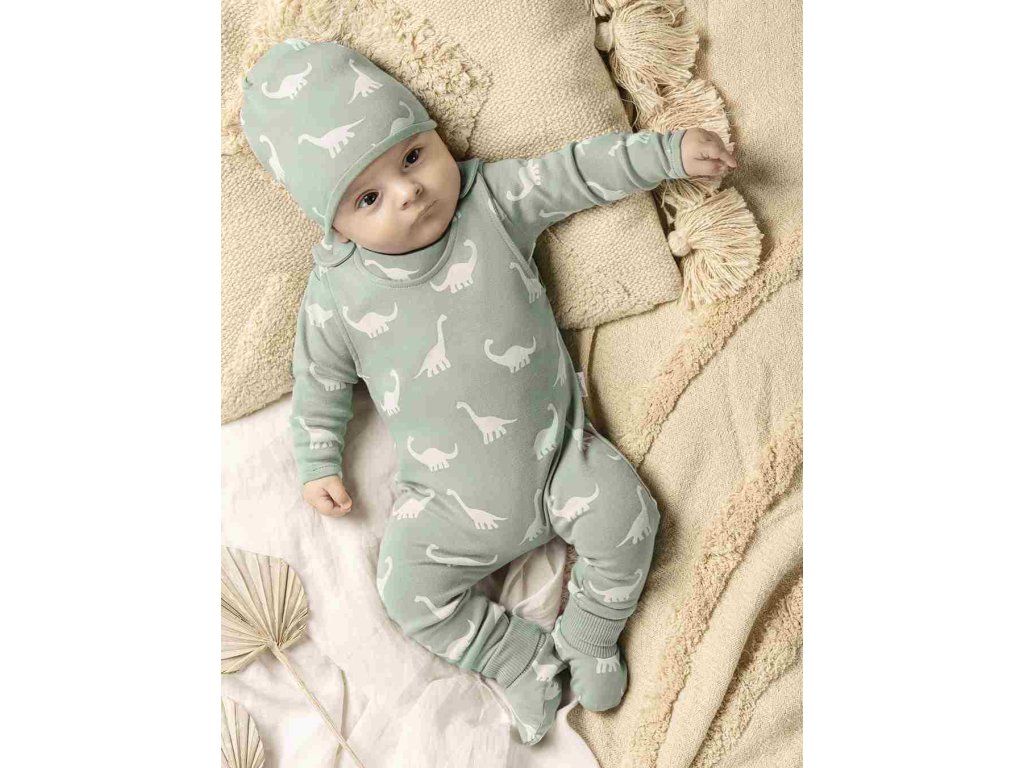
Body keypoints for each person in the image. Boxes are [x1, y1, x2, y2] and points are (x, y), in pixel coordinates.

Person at [240, 39, 736, 746]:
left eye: (413, 156)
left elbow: (578, 171)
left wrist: (667, 154)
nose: (409, 192)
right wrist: (318, 461)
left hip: (561, 459)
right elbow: (318, 378)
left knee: (629, 516)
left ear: (433, 135)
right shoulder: (337, 296)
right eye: (369, 197)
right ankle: (515, 657)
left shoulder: (491, 202)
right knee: (405, 590)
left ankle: (590, 632)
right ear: (333, 221)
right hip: (448, 504)